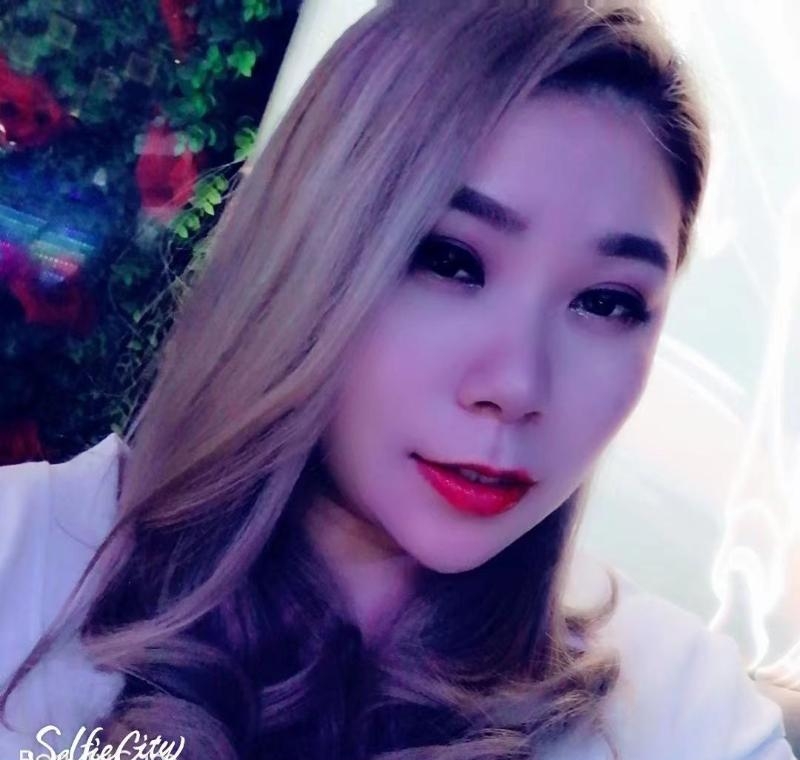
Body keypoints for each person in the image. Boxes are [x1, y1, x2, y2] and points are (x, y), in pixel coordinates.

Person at [0, 1, 796, 758]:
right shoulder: (24, 560)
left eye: (607, 302)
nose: (518, 385)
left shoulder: (685, 712)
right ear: (306, 245)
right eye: (448, 259)